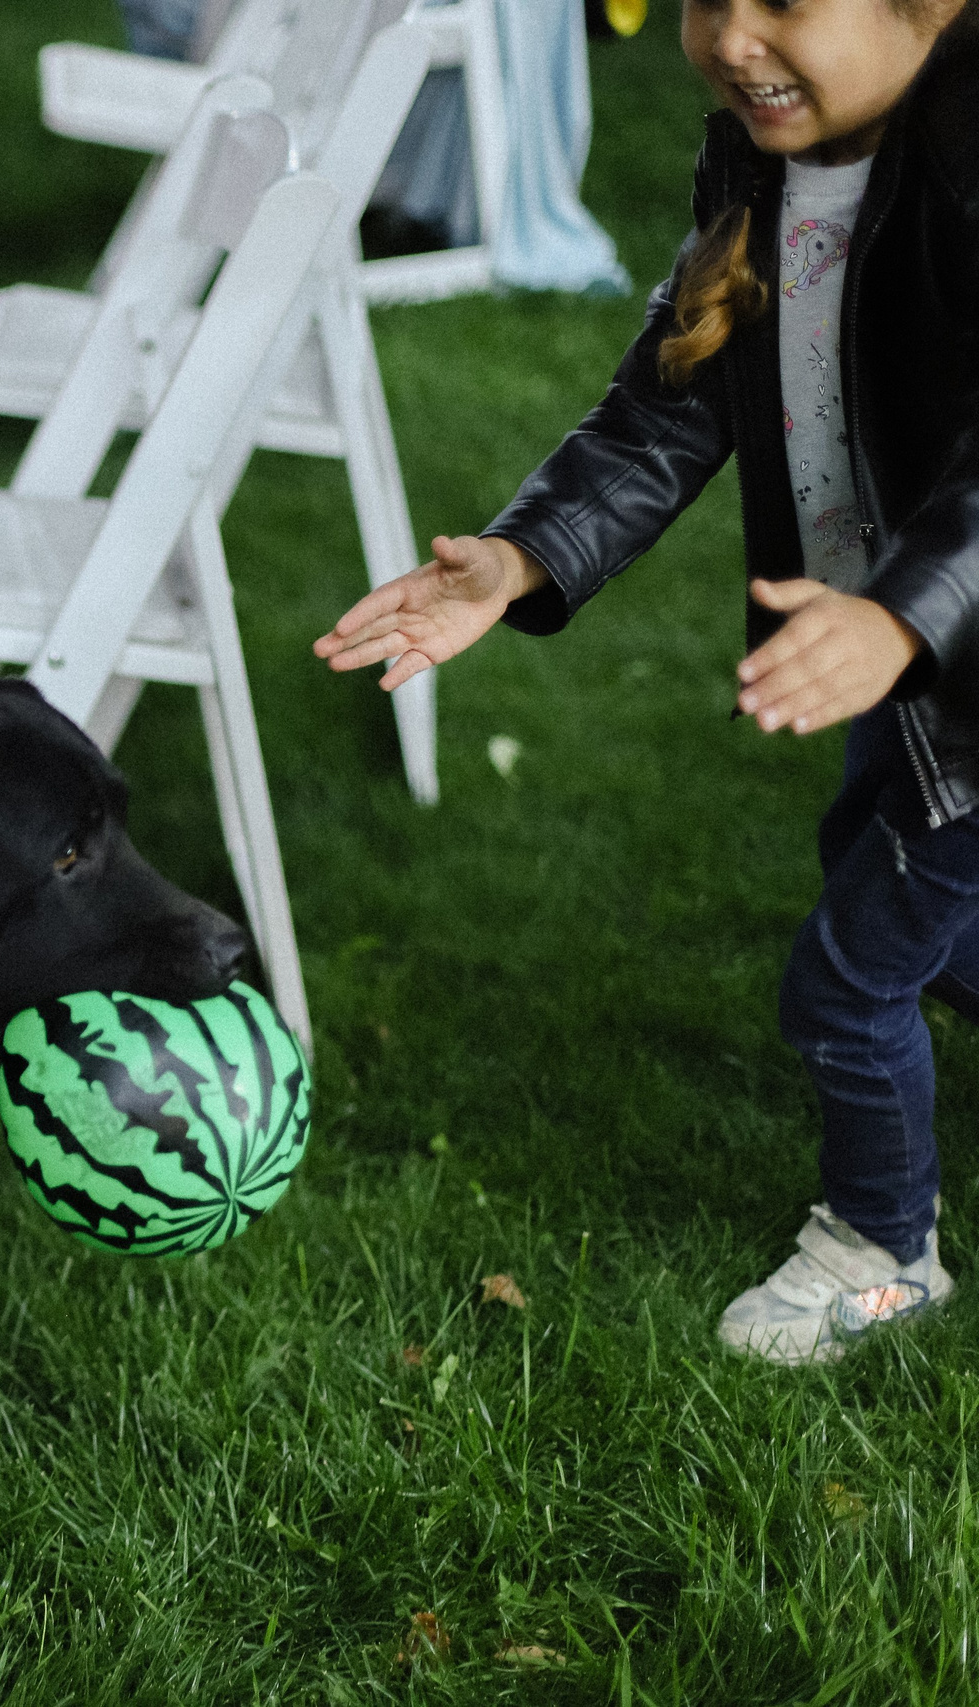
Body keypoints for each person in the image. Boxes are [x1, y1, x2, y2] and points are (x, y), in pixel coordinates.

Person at [314, 0, 979, 1364]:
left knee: (850, 978)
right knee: (925, 915)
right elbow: (671, 402)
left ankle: (881, 1250)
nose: (734, 36)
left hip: (950, 677)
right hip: (885, 676)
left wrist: (907, 620)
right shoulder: (767, 157)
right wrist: (516, 559)